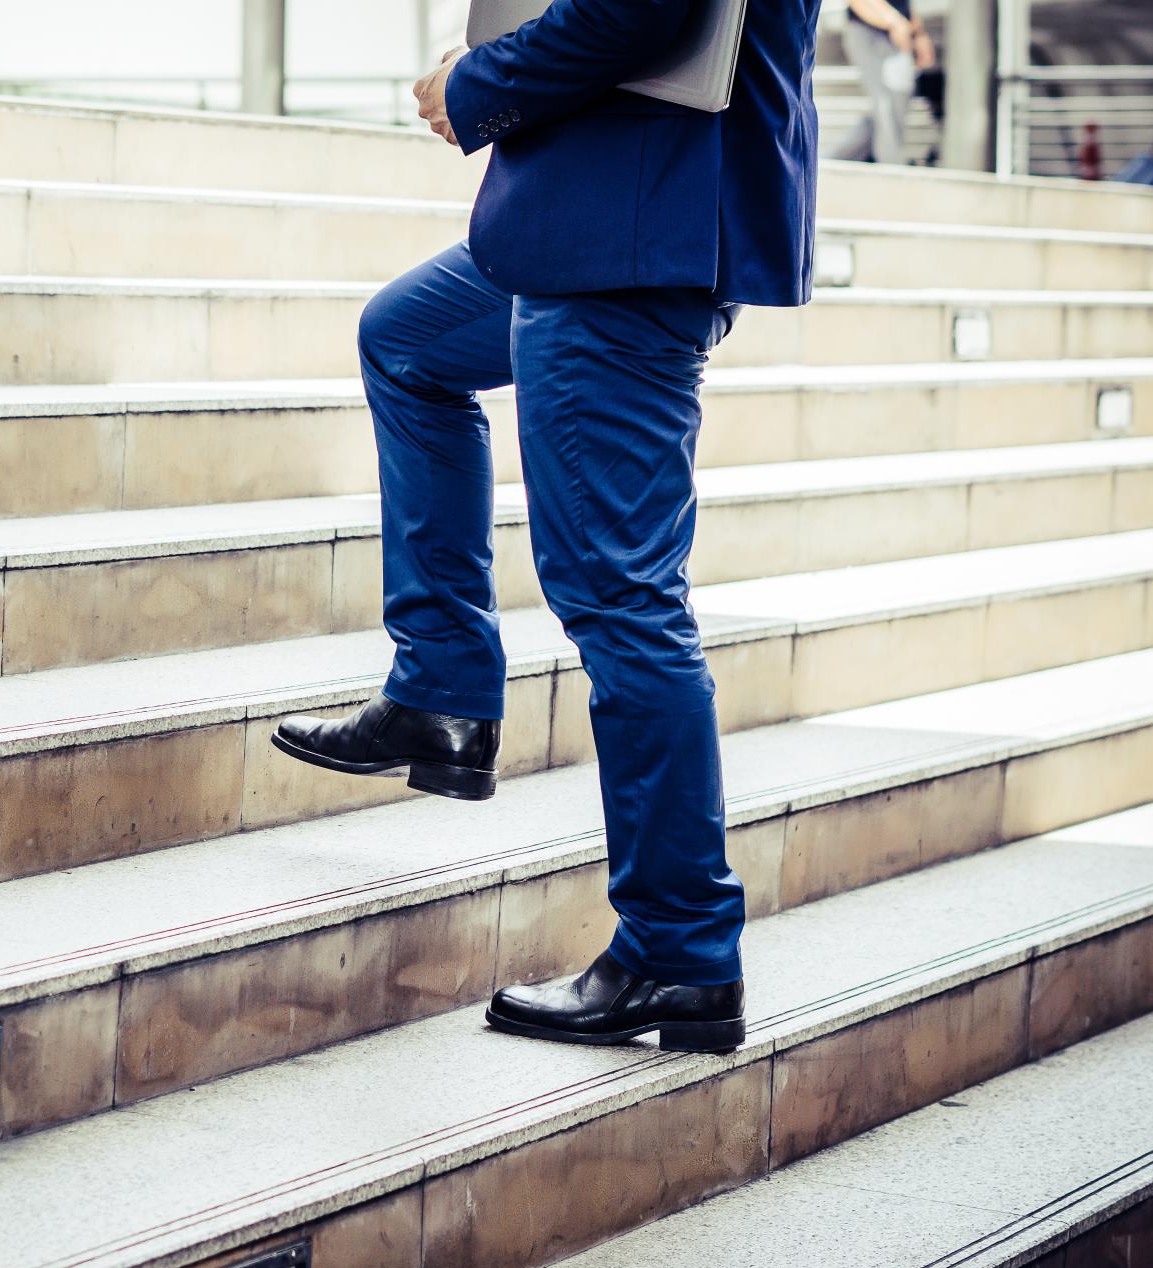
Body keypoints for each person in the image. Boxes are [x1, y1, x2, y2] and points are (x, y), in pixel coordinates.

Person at [270, 0, 821, 1054]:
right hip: (596, 210)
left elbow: (644, 9)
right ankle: (440, 688)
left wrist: (474, 83)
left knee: (621, 596)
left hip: (631, 228)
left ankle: (679, 949)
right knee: (407, 338)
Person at [832, 0, 935, 165]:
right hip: (869, 29)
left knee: (893, 106)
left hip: (897, 34)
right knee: (886, 105)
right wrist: (893, 21)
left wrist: (919, 35)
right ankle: (891, 168)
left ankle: (832, 159)